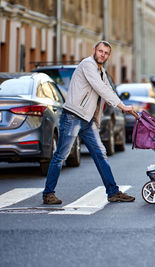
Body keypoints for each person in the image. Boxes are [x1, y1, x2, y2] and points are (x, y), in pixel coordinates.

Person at [42, 40, 138, 205]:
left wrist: (124, 107)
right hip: (73, 116)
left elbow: (108, 89)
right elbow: (100, 88)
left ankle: (113, 192)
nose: (103, 55)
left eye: (106, 53)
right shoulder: (87, 65)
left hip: (87, 120)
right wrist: (121, 105)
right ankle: (48, 193)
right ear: (94, 50)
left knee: (101, 154)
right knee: (61, 156)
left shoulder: (101, 70)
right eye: (100, 51)